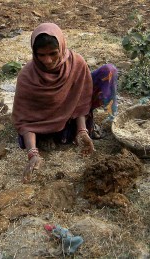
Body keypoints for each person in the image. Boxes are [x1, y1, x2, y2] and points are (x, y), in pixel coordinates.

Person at [12, 23, 118, 183]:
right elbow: (25, 120)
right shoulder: (27, 76)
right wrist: (33, 154)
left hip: (70, 120)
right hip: (42, 125)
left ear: (61, 48)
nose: (47, 61)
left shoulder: (77, 64)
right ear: (34, 53)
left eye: (53, 53)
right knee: (43, 137)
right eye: (41, 55)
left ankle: (77, 131)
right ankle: (53, 135)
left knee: (109, 70)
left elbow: (81, 101)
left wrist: (82, 131)